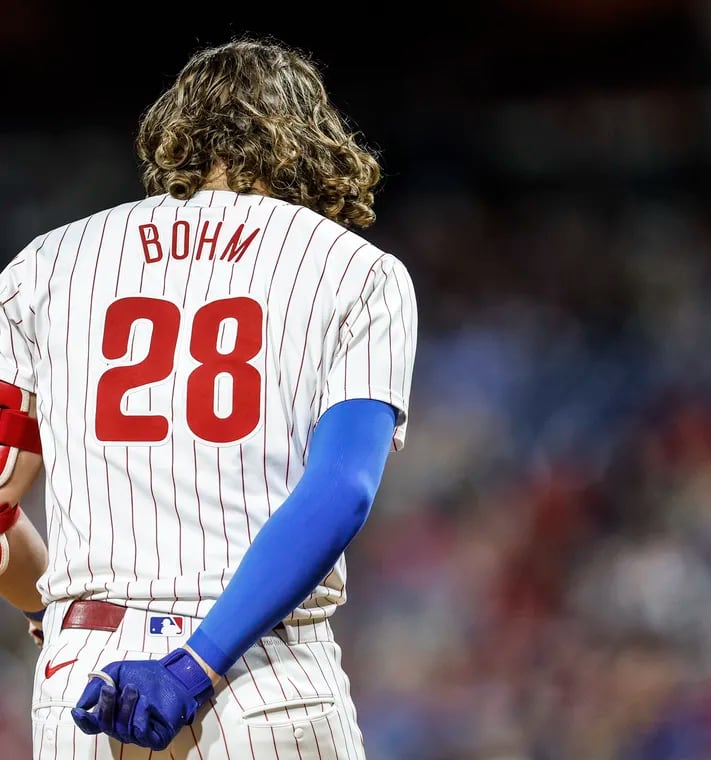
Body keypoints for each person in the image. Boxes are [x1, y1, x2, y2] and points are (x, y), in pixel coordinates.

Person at [0, 35, 417, 759]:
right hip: (265, 674)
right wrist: (196, 663)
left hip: (85, 683)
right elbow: (343, 489)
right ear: (306, 138)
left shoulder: (48, 263)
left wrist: (52, 607)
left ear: (175, 135)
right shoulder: (356, 270)